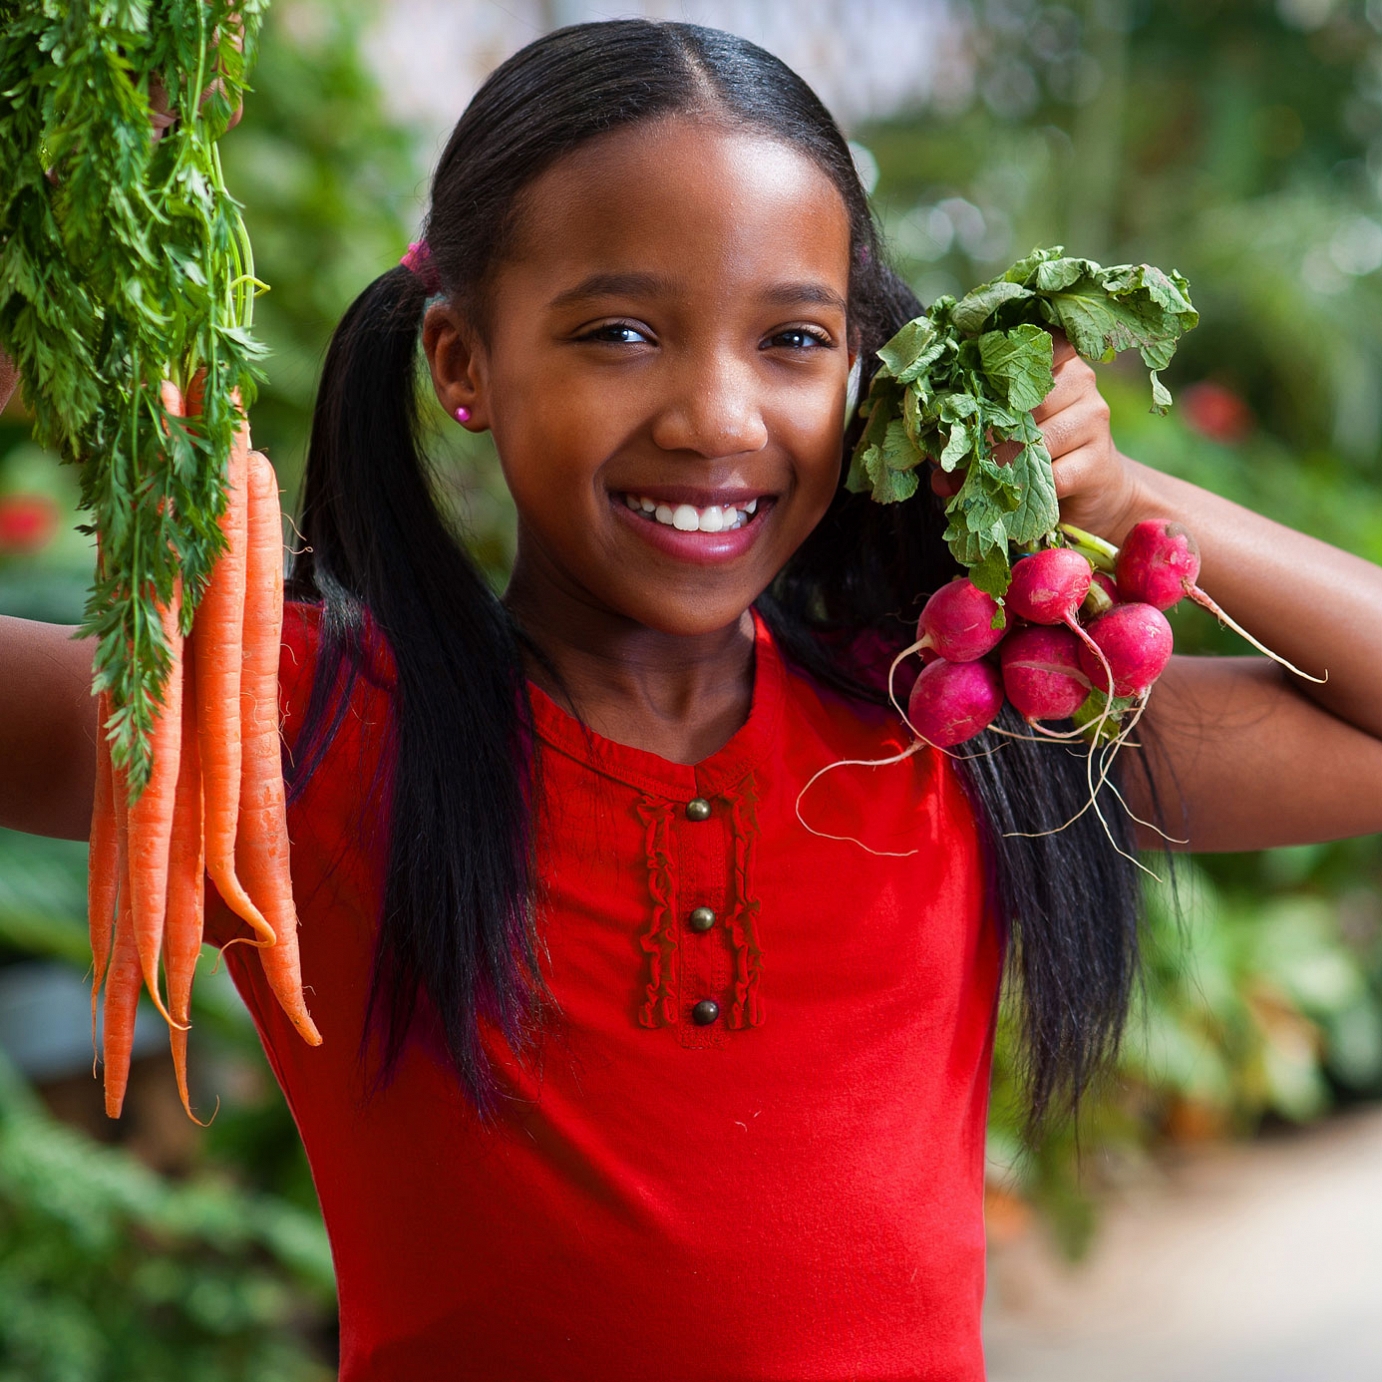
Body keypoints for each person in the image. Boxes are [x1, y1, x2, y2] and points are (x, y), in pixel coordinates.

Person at [2, 19, 1381, 1381]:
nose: (716, 415)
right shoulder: (300, 727)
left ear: (865, 369)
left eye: (792, 337)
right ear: (461, 364)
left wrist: (1129, 500)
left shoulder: (944, 726)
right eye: (618, 331)